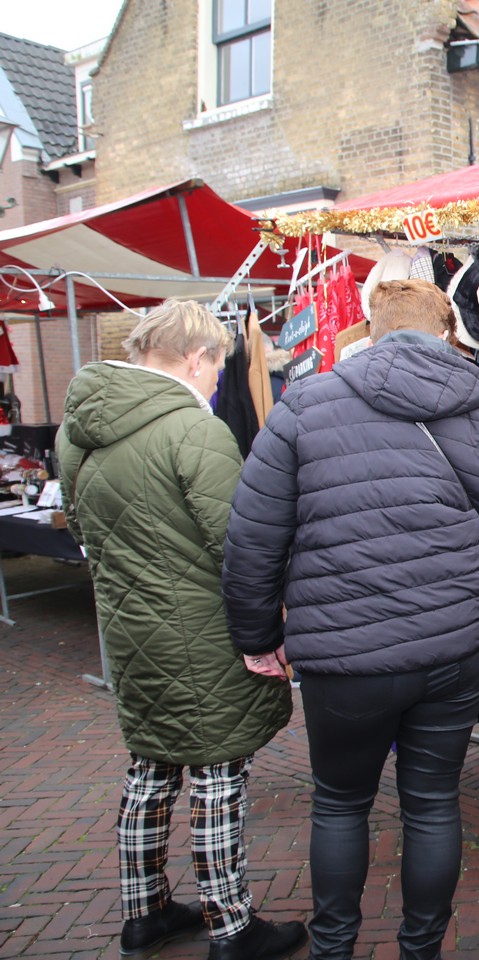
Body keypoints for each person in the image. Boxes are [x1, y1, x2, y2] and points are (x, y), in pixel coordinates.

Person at [221, 279, 479, 960]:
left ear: (372, 330)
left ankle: (333, 949)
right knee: (431, 802)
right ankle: (420, 950)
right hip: (453, 650)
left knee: (339, 803)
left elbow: (252, 538)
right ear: (447, 334)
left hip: (345, 656)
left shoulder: (305, 404)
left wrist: (257, 637)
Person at [55, 299, 303, 960]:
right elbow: (240, 547)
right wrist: (271, 627)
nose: (219, 379)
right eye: (217, 366)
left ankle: (145, 912)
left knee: (151, 770)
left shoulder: (75, 432)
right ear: (197, 358)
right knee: (218, 776)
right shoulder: (194, 430)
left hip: (129, 632)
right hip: (202, 636)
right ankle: (231, 926)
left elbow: (82, 530)